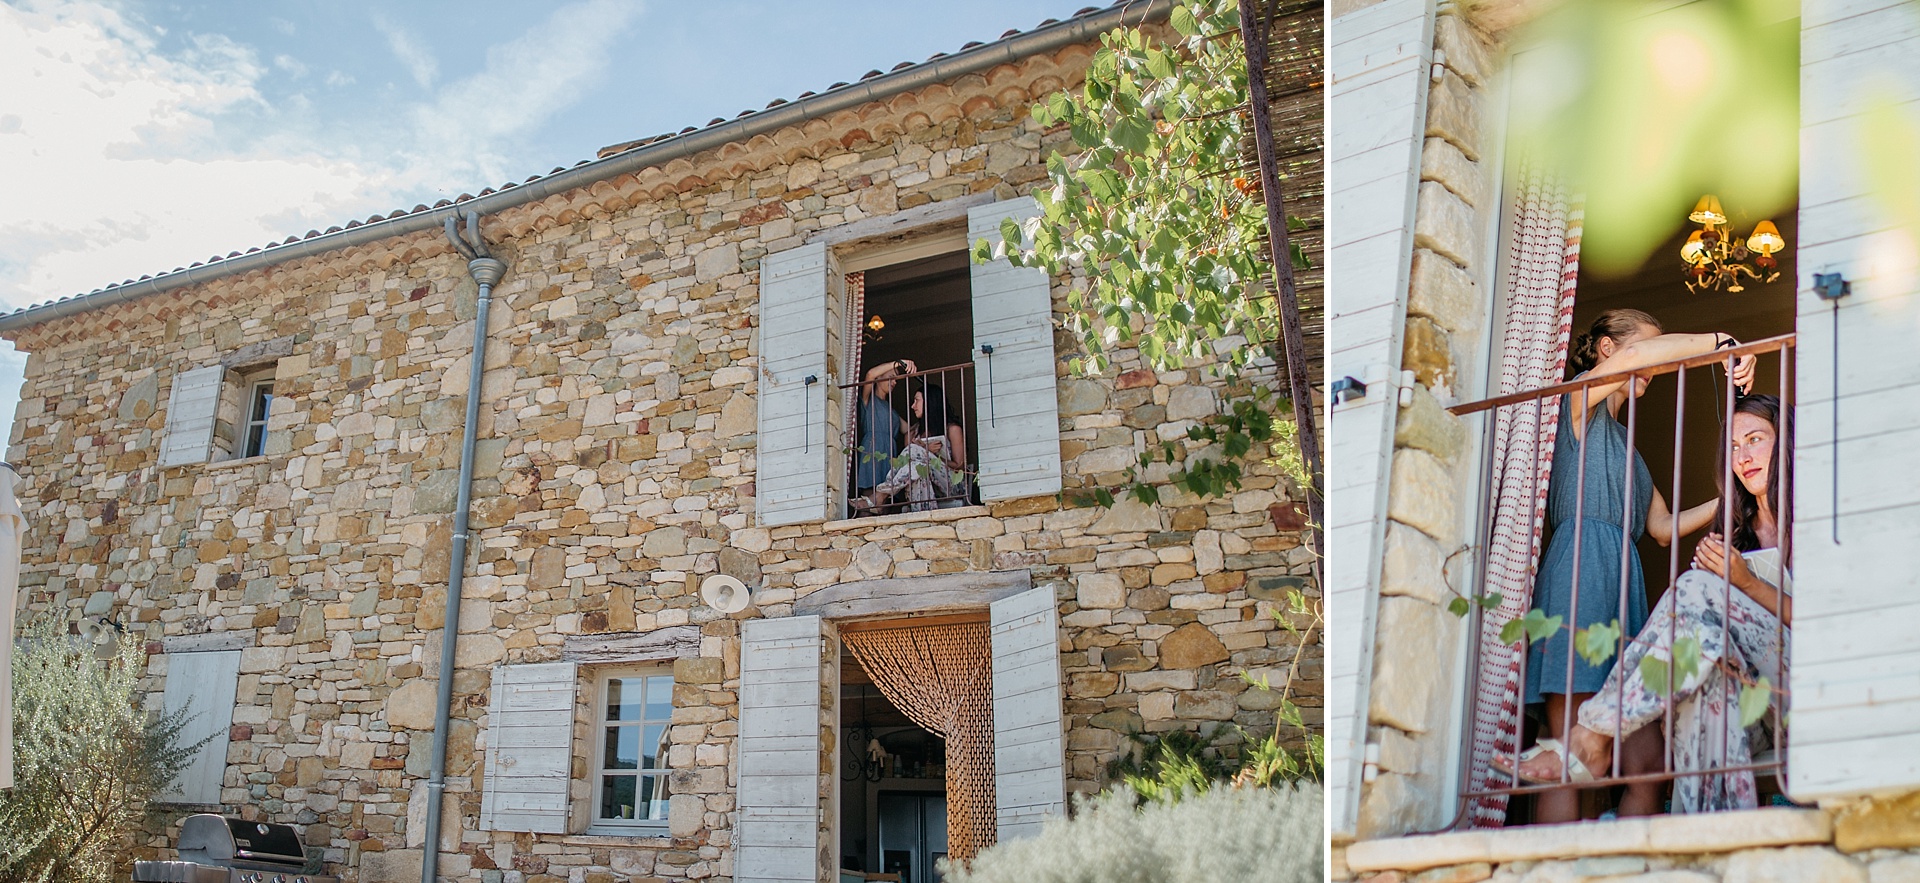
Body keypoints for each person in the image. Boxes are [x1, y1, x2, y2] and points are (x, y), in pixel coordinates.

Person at [1503, 394, 1791, 814]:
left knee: (1692, 587)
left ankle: (1591, 737)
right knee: (1703, 671)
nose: (1742, 455)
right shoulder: (1738, 534)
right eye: (1732, 445)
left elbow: (1828, 623)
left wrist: (1744, 582)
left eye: (1755, 439)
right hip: (1753, 705)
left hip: (1800, 687)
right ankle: (1704, 849)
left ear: (1786, 443)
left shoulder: (1817, 518)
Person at [1520, 308, 1756, 821]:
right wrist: (1719, 337)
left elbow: (1662, 528)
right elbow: (1636, 357)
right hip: (1579, 571)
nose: (1652, 363)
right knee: (1567, 747)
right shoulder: (1577, 400)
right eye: (1651, 347)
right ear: (1608, 349)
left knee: (1648, 762)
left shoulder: (1629, 447)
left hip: (1622, 583)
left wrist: (1728, 501)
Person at [863, 382, 968, 512]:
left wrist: (931, 454)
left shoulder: (952, 429)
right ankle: (924, 517)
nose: (913, 406)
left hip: (951, 485)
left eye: (916, 401)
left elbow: (960, 465)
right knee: (915, 469)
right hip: (923, 481)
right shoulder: (913, 433)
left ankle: (882, 494)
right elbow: (907, 467)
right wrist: (925, 451)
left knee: (914, 450)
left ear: (929, 402)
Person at [852, 359, 913, 512]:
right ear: (879, 378)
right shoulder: (868, 400)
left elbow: (909, 430)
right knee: (868, 498)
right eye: (891, 377)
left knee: (884, 503)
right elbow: (870, 374)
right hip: (873, 449)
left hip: (889, 453)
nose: (894, 382)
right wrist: (899, 363)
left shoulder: (892, 411)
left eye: (895, 380)